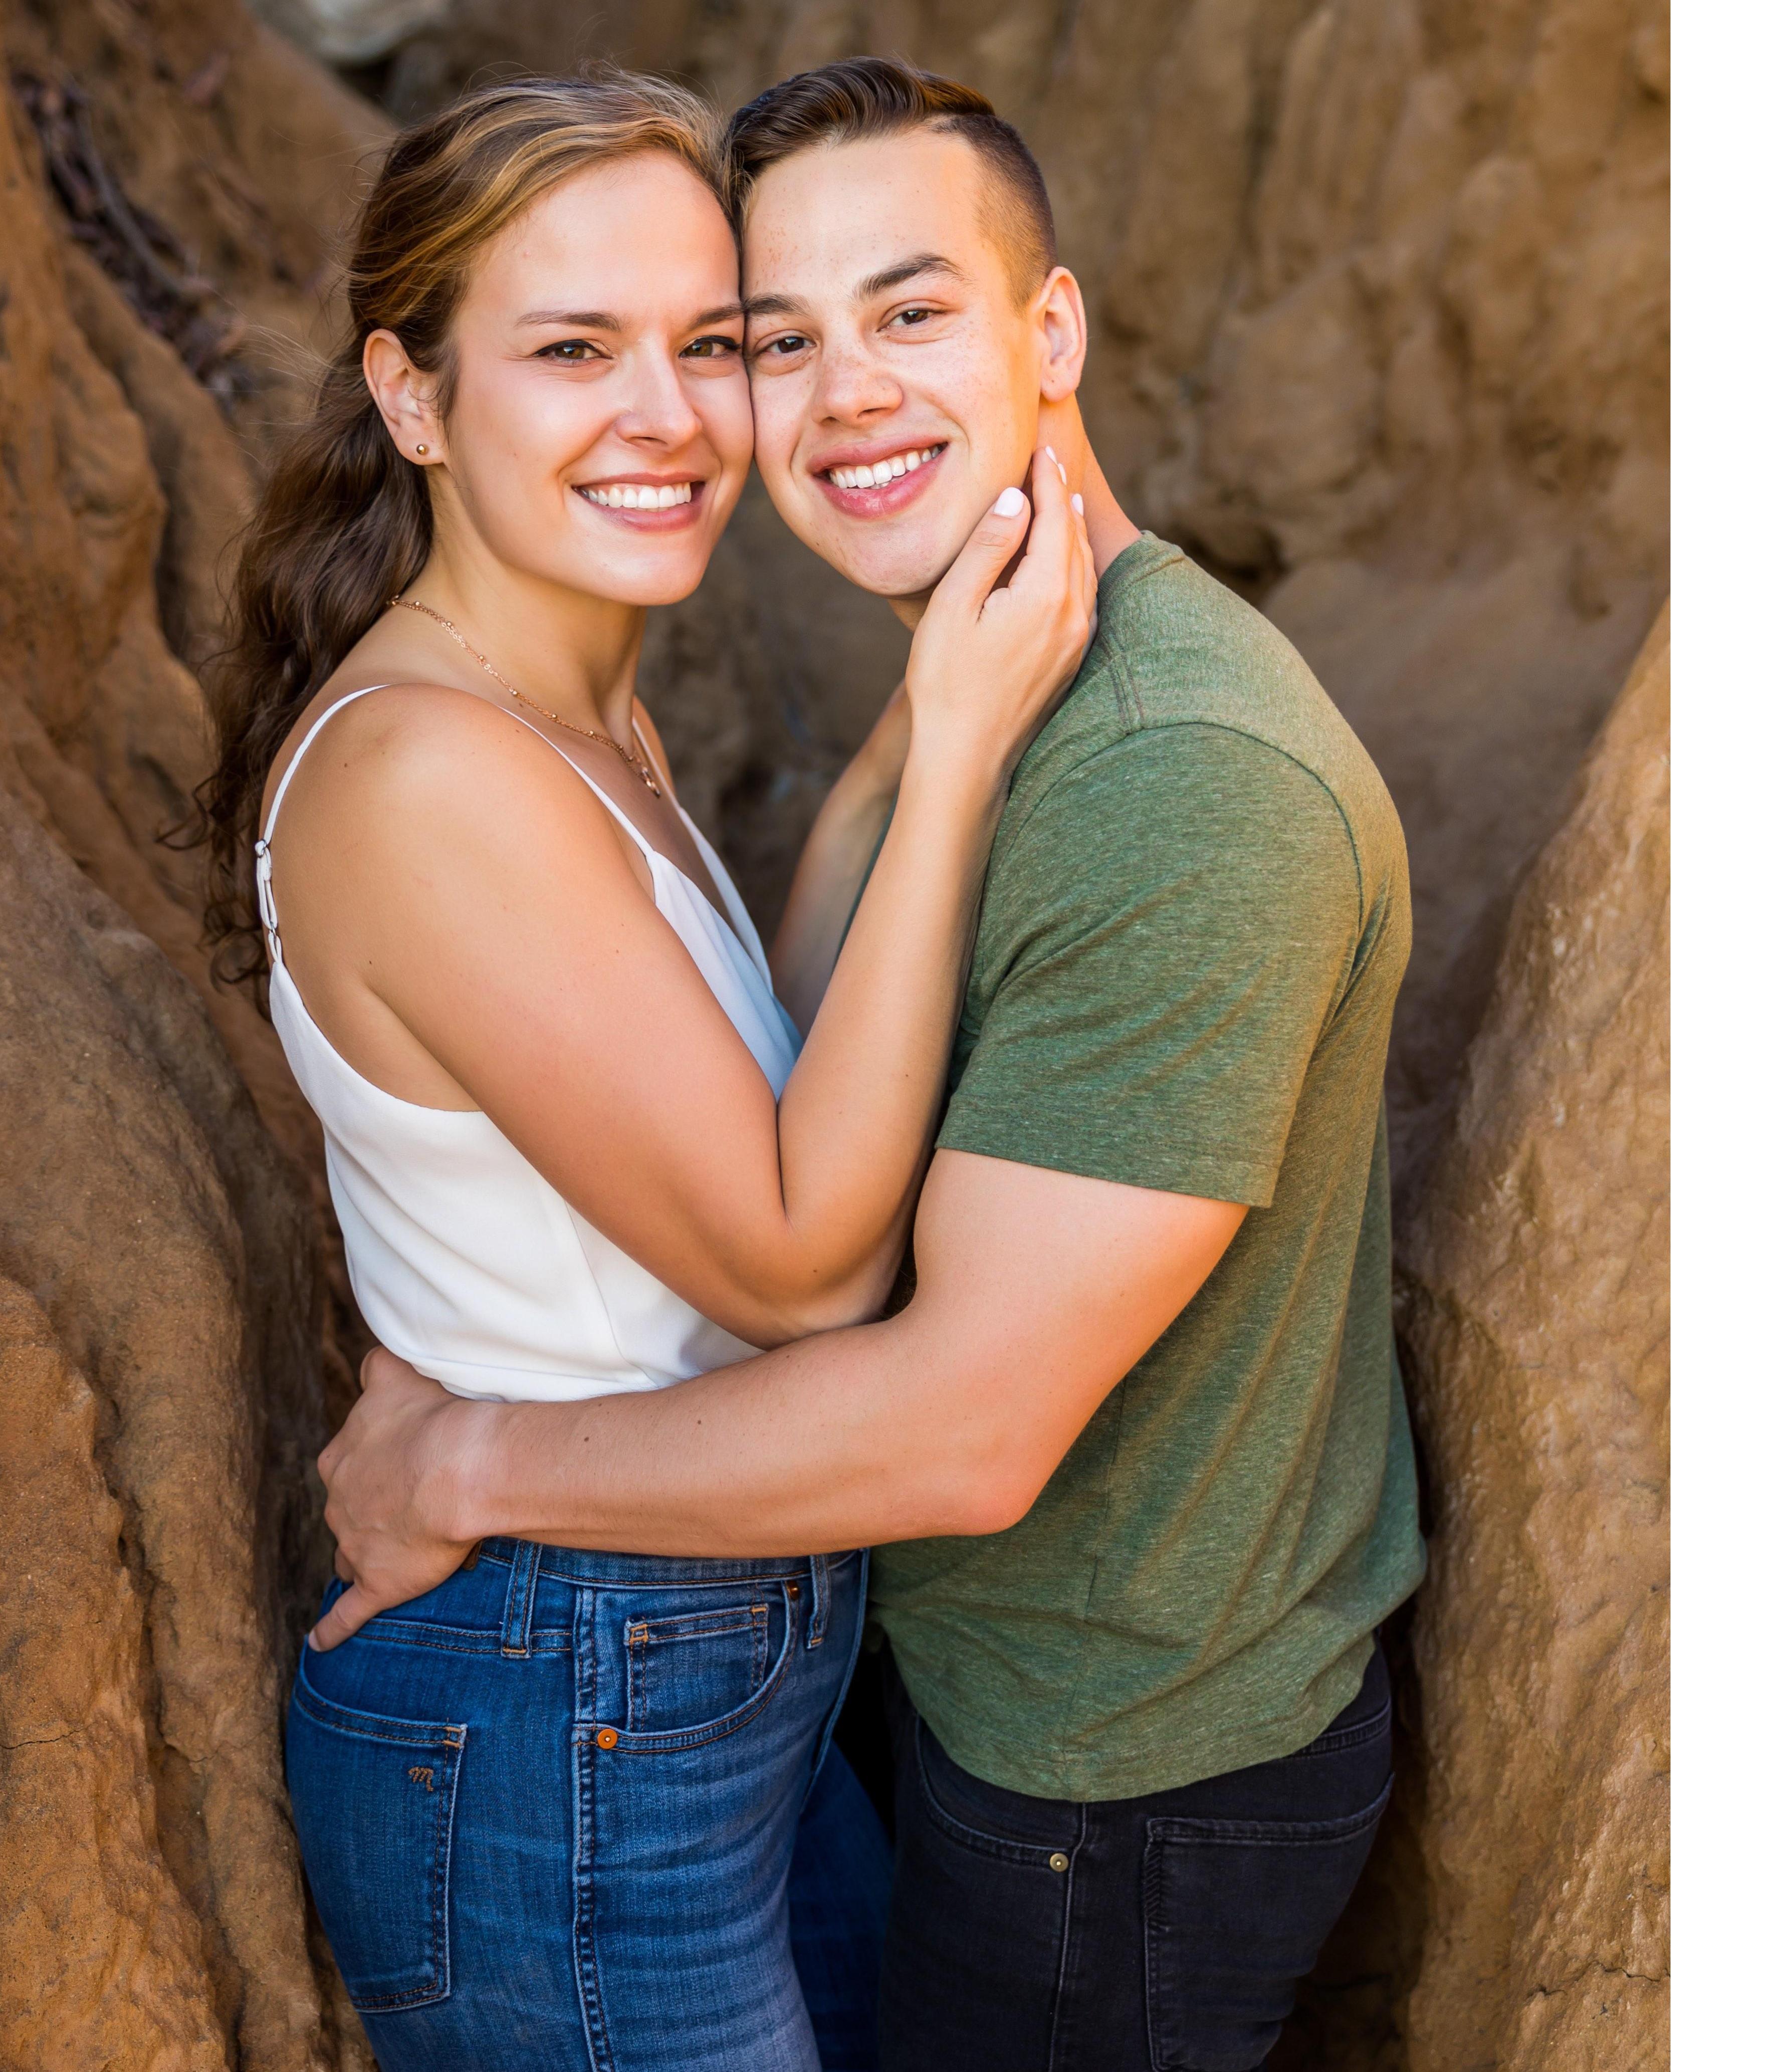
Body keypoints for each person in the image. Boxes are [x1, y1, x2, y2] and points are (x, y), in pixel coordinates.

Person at [318, 57, 1429, 2072]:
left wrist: (464, 1463)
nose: (838, 396)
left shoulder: (1178, 784)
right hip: (920, 1690)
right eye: (778, 339)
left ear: (1051, 329)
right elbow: (812, 1076)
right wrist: (919, 750)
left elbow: (959, 1427)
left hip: (1112, 1776)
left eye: (908, 311)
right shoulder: (985, 682)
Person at [193, 69, 1095, 2072]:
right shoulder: (435, 775)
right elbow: (800, 1268)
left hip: (689, 1669)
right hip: (560, 1702)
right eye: (574, 350)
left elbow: (748, 1072)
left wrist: (905, 734)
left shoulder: (569, 709)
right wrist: (956, 756)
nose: (668, 414)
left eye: (711, 343)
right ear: (416, 398)